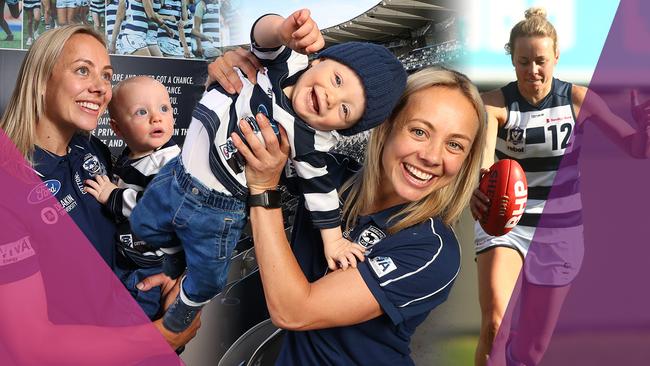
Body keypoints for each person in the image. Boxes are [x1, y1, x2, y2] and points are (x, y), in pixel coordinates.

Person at [130, 8, 407, 334]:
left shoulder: (309, 144)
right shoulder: (284, 65)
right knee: (142, 222)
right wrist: (283, 29)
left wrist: (333, 243)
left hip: (217, 206)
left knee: (207, 274)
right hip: (180, 171)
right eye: (337, 80)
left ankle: (187, 306)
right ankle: (173, 257)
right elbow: (262, 34)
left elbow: (322, 195)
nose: (332, 98)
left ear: (342, 129)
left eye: (345, 109)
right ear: (318, 60)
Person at [223, 65, 487, 365]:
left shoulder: (432, 250)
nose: (431, 156)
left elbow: (294, 311)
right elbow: (239, 134)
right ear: (386, 126)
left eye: (454, 145)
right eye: (419, 131)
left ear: (466, 160)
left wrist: (264, 189)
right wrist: (237, 72)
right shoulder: (328, 174)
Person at [0, 25, 199, 356]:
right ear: (41, 80)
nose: (100, 88)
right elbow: (31, 344)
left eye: (106, 76)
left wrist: (166, 276)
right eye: (82, 70)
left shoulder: (93, 151)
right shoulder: (9, 183)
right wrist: (159, 337)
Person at [471, 7, 650, 366]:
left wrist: (644, 128)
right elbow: (486, 153)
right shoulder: (495, 104)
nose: (532, 70)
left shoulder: (578, 100)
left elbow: (634, 148)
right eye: (523, 61)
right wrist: (484, 179)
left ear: (555, 56)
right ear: (512, 59)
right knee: (495, 325)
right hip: (506, 222)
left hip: (561, 231)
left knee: (530, 351)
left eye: (540, 60)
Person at [84, 76, 180, 320]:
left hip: (150, 265)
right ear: (117, 128)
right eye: (141, 112)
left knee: (137, 319)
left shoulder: (169, 162)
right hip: (128, 254)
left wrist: (112, 196)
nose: (156, 117)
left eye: (164, 108)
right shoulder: (132, 157)